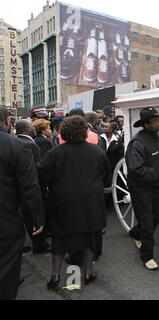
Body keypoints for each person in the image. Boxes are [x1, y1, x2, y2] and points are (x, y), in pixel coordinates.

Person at [38, 116, 111, 290]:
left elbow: (42, 175)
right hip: (90, 201)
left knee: (60, 238)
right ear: (84, 132)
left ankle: (55, 274)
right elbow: (105, 175)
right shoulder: (97, 151)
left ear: (64, 132)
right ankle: (88, 272)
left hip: (63, 201)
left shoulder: (55, 153)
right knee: (89, 237)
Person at [0, 107, 45, 300]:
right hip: (6, 222)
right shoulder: (17, 146)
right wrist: (36, 218)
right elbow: (29, 187)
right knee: (6, 276)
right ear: (6, 121)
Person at [126, 107, 159, 271]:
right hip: (141, 188)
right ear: (146, 125)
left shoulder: (156, 138)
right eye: (155, 121)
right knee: (147, 223)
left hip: (155, 185)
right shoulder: (137, 143)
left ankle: (135, 233)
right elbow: (136, 170)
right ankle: (147, 256)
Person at [15, 119, 51, 254]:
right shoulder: (30, 144)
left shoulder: (16, 141)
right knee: (34, 217)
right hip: (32, 188)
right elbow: (37, 169)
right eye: (30, 126)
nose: (33, 128)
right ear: (26, 129)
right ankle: (40, 245)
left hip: (17, 190)